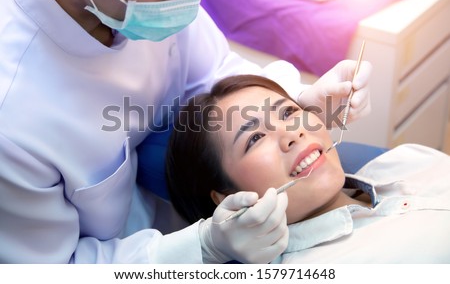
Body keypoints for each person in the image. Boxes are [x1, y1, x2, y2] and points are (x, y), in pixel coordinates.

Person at [0, 0, 371, 263]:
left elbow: (217, 79)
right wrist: (204, 248)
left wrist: (300, 99)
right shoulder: (13, 115)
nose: (190, 2)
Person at [166, 74, 450, 263]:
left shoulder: (407, 159)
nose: (292, 133)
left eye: (288, 112)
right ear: (225, 197)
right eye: (255, 138)